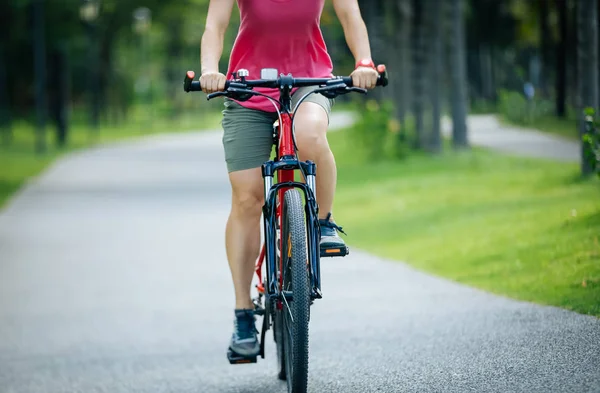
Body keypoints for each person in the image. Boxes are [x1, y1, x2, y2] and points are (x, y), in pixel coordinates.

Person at [199, 0, 378, 358]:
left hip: (308, 81)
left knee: (310, 134)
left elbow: (350, 16)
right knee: (247, 197)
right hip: (248, 89)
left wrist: (364, 62)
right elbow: (214, 27)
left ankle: (323, 223)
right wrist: (209, 70)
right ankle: (243, 313)